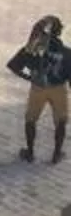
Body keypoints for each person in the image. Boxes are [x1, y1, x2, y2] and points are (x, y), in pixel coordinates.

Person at [13, 17, 71, 163]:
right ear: (58, 32)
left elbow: (13, 66)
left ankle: (30, 152)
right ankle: (56, 154)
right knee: (61, 121)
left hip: (38, 88)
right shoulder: (66, 52)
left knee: (31, 120)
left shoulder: (32, 49)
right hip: (59, 89)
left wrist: (29, 78)